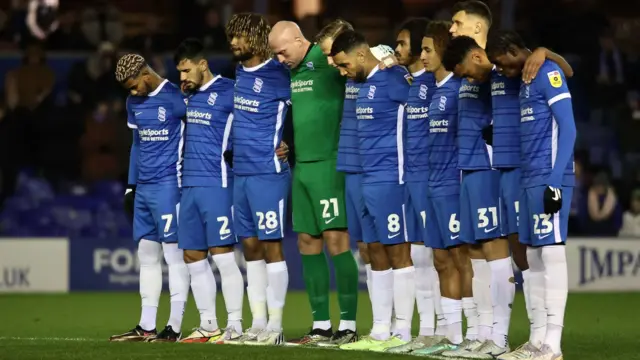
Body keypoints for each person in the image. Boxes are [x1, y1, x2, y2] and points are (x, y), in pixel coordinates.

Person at [444, 2, 574, 357]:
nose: (499, 69)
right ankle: (535, 338)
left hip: (528, 168)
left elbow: (565, 72)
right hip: (508, 171)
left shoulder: (522, 66)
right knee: (525, 252)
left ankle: (545, 339)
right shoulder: (498, 72)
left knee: (536, 251)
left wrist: (542, 51)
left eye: (457, 23)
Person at [268, 20, 360, 346]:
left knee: (337, 241)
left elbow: (360, 55)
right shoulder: (290, 72)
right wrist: (289, 143)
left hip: (330, 165)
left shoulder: (328, 58)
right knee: (307, 241)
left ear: (298, 39)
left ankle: (347, 324)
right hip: (302, 167)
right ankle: (321, 324)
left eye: (282, 52)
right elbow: (305, 113)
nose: (280, 59)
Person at [486, 30, 577, 360]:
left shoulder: (546, 73)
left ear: (513, 50)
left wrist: (555, 181)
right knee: (533, 259)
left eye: (504, 64)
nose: (505, 72)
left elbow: (568, 128)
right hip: (528, 178)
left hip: (549, 177)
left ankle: (554, 343)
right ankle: (537, 340)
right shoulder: (525, 80)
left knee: (551, 255)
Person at [313, 18, 397, 347]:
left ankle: (397, 327)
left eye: (333, 55)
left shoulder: (381, 61)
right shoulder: (348, 72)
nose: (332, 64)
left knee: (393, 249)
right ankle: (380, 328)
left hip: (379, 168)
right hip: (352, 165)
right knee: (365, 249)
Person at [330, 30, 414, 352]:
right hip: (365, 179)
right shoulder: (361, 84)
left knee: (398, 253)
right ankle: (380, 330)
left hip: (391, 178)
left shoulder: (395, 79)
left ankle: (403, 332)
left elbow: (422, 103)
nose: (342, 72)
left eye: (344, 64)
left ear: (362, 56)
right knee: (373, 251)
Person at [109, 54, 190, 343]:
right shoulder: (134, 104)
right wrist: (131, 187)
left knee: (174, 257)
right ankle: (146, 325)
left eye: (134, 86)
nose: (132, 93)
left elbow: (202, 133)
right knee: (147, 257)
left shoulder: (175, 97)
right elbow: (137, 146)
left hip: (170, 187)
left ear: (146, 74)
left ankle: (175, 326)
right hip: (143, 189)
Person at [170, 38, 244, 344]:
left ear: (203, 65)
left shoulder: (229, 91)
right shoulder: (183, 97)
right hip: (188, 187)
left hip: (218, 184)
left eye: (187, 71)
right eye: (179, 73)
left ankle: (236, 325)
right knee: (192, 256)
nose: (183, 78)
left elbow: (255, 124)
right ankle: (208, 324)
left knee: (223, 256)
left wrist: (278, 144)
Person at [223, 13, 291, 346]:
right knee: (249, 248)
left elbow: (305, 107)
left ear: (257, 38)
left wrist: (292, 144)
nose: (234, 42)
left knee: (271, 246)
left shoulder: (280, 74)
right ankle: (258, 322)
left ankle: (276, 327)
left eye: (240, 36)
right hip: (242, 174)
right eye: (232, 36)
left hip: (268, 173)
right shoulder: (237, 73)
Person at [384, 17, 445, 355]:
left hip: (428, 177)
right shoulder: (407, 83)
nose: (400, 49)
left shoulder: (434, 84)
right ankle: (422, 330)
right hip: (408, 177)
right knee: (417, 255)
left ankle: (437, 328)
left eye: (405, 43)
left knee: (432, 257)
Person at [411, 20, 466, 358]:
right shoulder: (434, 90)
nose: (423, 55)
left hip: (453, 186)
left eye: (428, 49)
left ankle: (471, 334)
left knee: (461, 260)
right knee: (441, 260)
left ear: (444, 50)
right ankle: (448, 333)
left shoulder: (460, 89)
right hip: (433, 183)